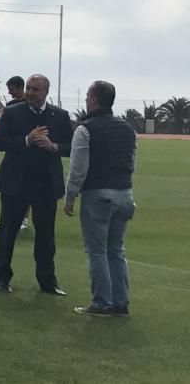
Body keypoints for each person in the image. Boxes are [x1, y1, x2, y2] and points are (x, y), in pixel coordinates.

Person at [0, 74, 71, 296]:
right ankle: (2, 278)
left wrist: (53, 146)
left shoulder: (60, 116)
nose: (30, 92)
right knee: (8, 232)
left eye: (35, 89)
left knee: (46, 236)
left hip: (46, 184)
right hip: (15, 183)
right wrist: (26, 140)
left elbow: (72, 146)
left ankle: (47, 281)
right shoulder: (12, 112)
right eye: (28, 88)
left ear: (46, 92)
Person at [63, 81, 137, 317]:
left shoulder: (85, 129)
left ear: (94, 99)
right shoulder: (128, 129)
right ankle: (120, 302)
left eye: (87, 96)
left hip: (98, 195)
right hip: (125, 193)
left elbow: (78, 169)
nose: (85, 100)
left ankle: (101, 303)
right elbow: (131, 161)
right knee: (117, 250)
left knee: (97, 251)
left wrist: (70, 197)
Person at [0, 75, 31, 230]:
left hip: (28, 153)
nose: (10, 93)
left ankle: (24, 219)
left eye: (12, 89)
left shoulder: (31, 105)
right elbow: (3, 132)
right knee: (7, 187)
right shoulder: (10, 107)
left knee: (27, 188)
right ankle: (7, 218)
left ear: (20, 87)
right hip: (12, 152)